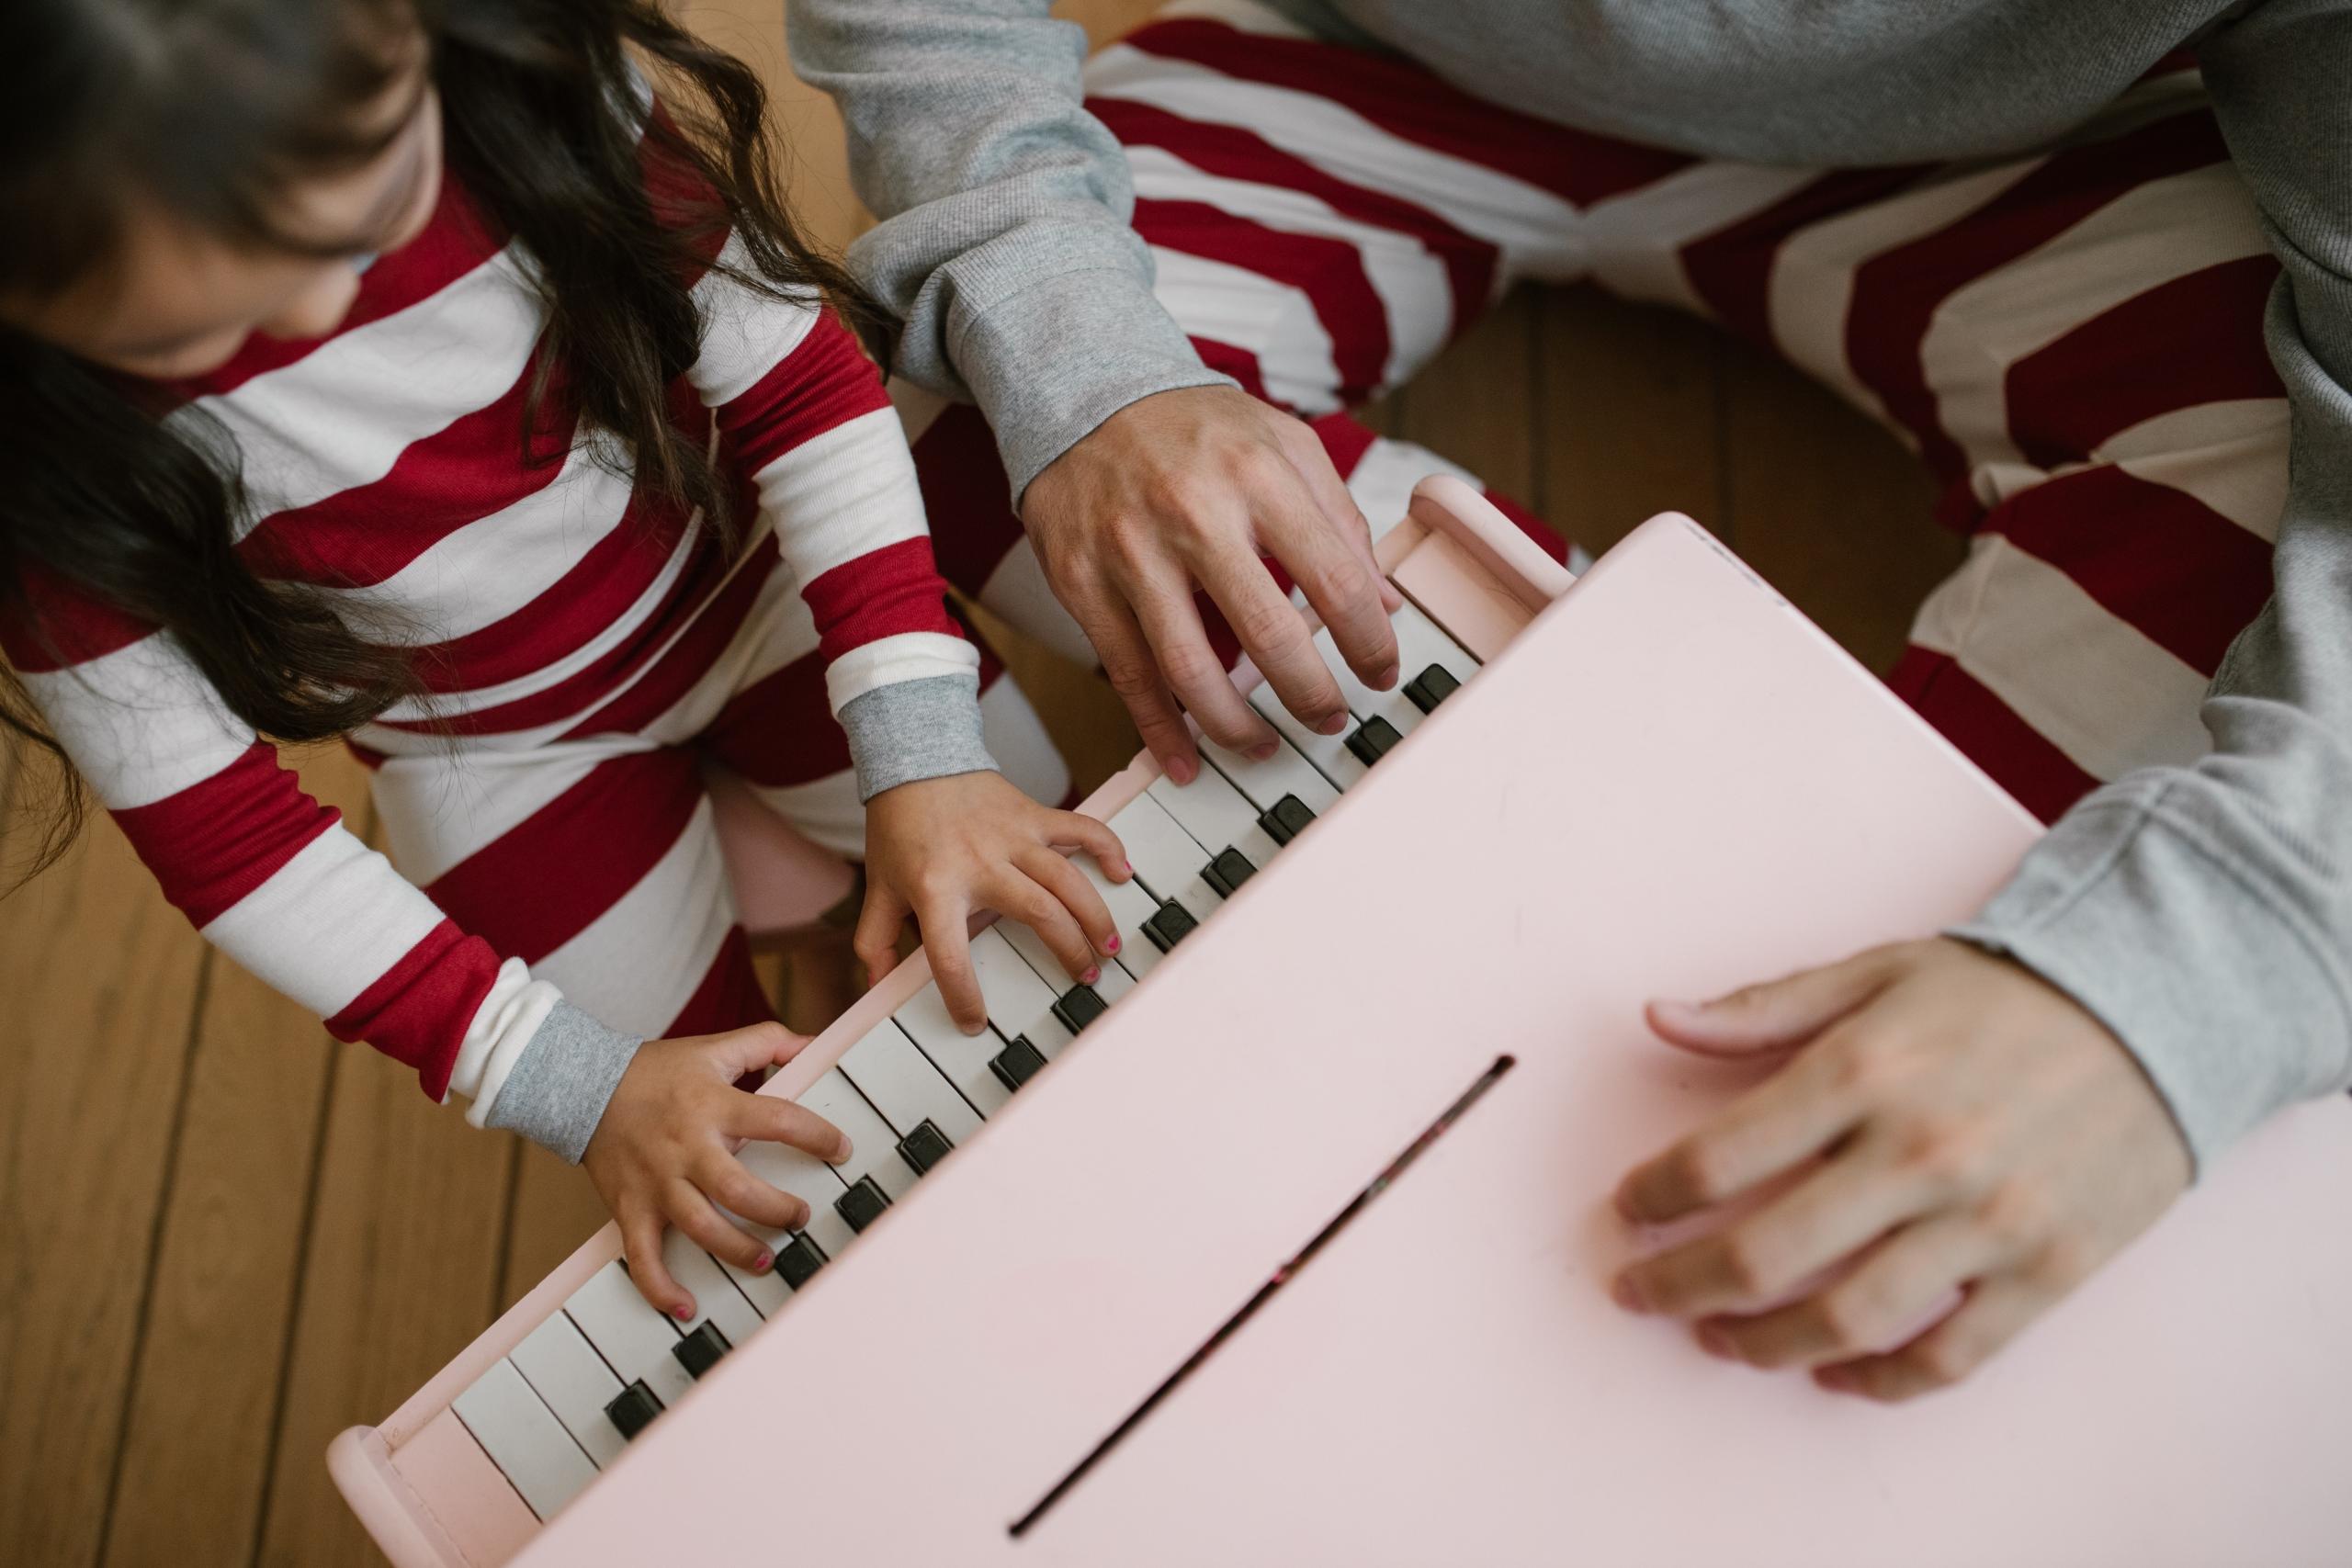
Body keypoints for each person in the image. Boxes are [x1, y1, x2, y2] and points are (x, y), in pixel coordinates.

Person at [787, 0, 2352, 1398]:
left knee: (2214, 739)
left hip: (2064, 147)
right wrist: (1089, 365)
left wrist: (2181, 984)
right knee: (918, 425)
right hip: (1382, 54)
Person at [0, 0, 1136, 1319]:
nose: (320, 307)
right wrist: (582, 1089)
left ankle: (806, 885)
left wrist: (925, 753)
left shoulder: (528, 85)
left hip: (754, 567)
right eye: (187, 336)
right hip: (504, 745)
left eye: (373, 200)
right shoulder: (44, 471)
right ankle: (803, 891)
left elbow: (803, 392)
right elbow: (236, 849)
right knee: (738, 1168)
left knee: (1034, 891)